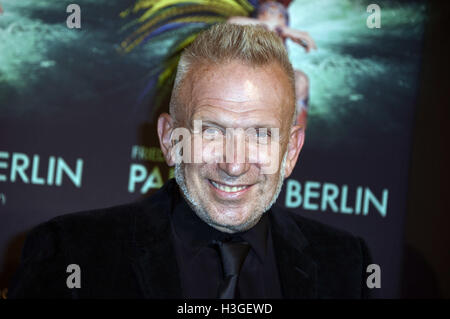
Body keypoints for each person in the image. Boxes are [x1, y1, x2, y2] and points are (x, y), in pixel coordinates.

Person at [9, 24, 373, 299]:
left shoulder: (347, 267)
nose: (234, 164)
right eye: (211, 130)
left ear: (291, 151)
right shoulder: (72, 252)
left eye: (260, 134)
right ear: (170, 139)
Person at [227, 0, 317, 128]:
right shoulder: (236, 65)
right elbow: (230, 23)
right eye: (263, 31)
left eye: (279, 34)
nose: (272, 37)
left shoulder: (297, 81)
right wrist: (275, 28)